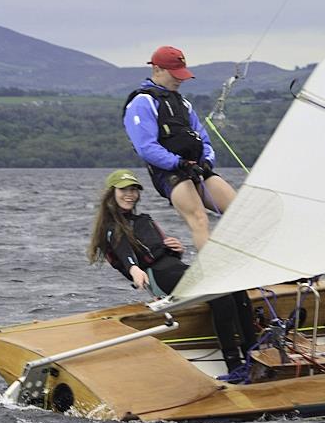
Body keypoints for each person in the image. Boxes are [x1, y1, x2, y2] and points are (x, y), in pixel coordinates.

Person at [87, 169, 256, 372]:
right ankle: (234, 365)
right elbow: (124, 251)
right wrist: (134, 269)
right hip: (157, 277)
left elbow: (159, 252)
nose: (129, 194)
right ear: (111, 193)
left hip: (174, 269)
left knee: (236, 288)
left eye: (133, 190)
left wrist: (176, 249)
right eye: (124, 190)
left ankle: (252, 352)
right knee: (220, 296)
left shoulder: (143, 220)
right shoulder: (110, 227)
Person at [122, 45, 236, 250]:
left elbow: (203, 138)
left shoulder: (183, 104)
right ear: (157, 70)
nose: (180, 79)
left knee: (240, 211)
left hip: (197, 169)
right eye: (175, 75)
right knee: (200, 219)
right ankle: (210, 277)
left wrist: (208, 162)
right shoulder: (142, 102)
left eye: (182, 75)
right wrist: (179, 163)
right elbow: (146, 147)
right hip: (170, 174)